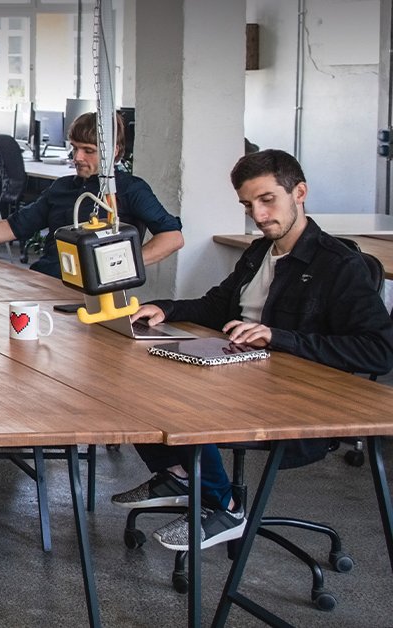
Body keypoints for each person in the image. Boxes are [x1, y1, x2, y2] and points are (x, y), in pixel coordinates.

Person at [111, 149, 393, 551]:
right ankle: (179, 473)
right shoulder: (261, 251)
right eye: (248, 205)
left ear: (300, 192)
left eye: (267, 200)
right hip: (241, 374)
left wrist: (275, 336)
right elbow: (216, 306)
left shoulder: (339, 265)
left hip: (295, 397)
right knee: (130, 381)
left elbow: (378, 351)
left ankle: (222, 505)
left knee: (178, 404)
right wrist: (165, 308)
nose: (258, 216)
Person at [0, 112, 185, 279]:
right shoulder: (62, 187)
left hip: (89, 294)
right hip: (44, 280)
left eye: (88, 150)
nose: (77, 158)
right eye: (74, 148)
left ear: (115, 152)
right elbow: (15, 226)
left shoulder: (130, 189)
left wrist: (116, 266)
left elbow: (172, 238)